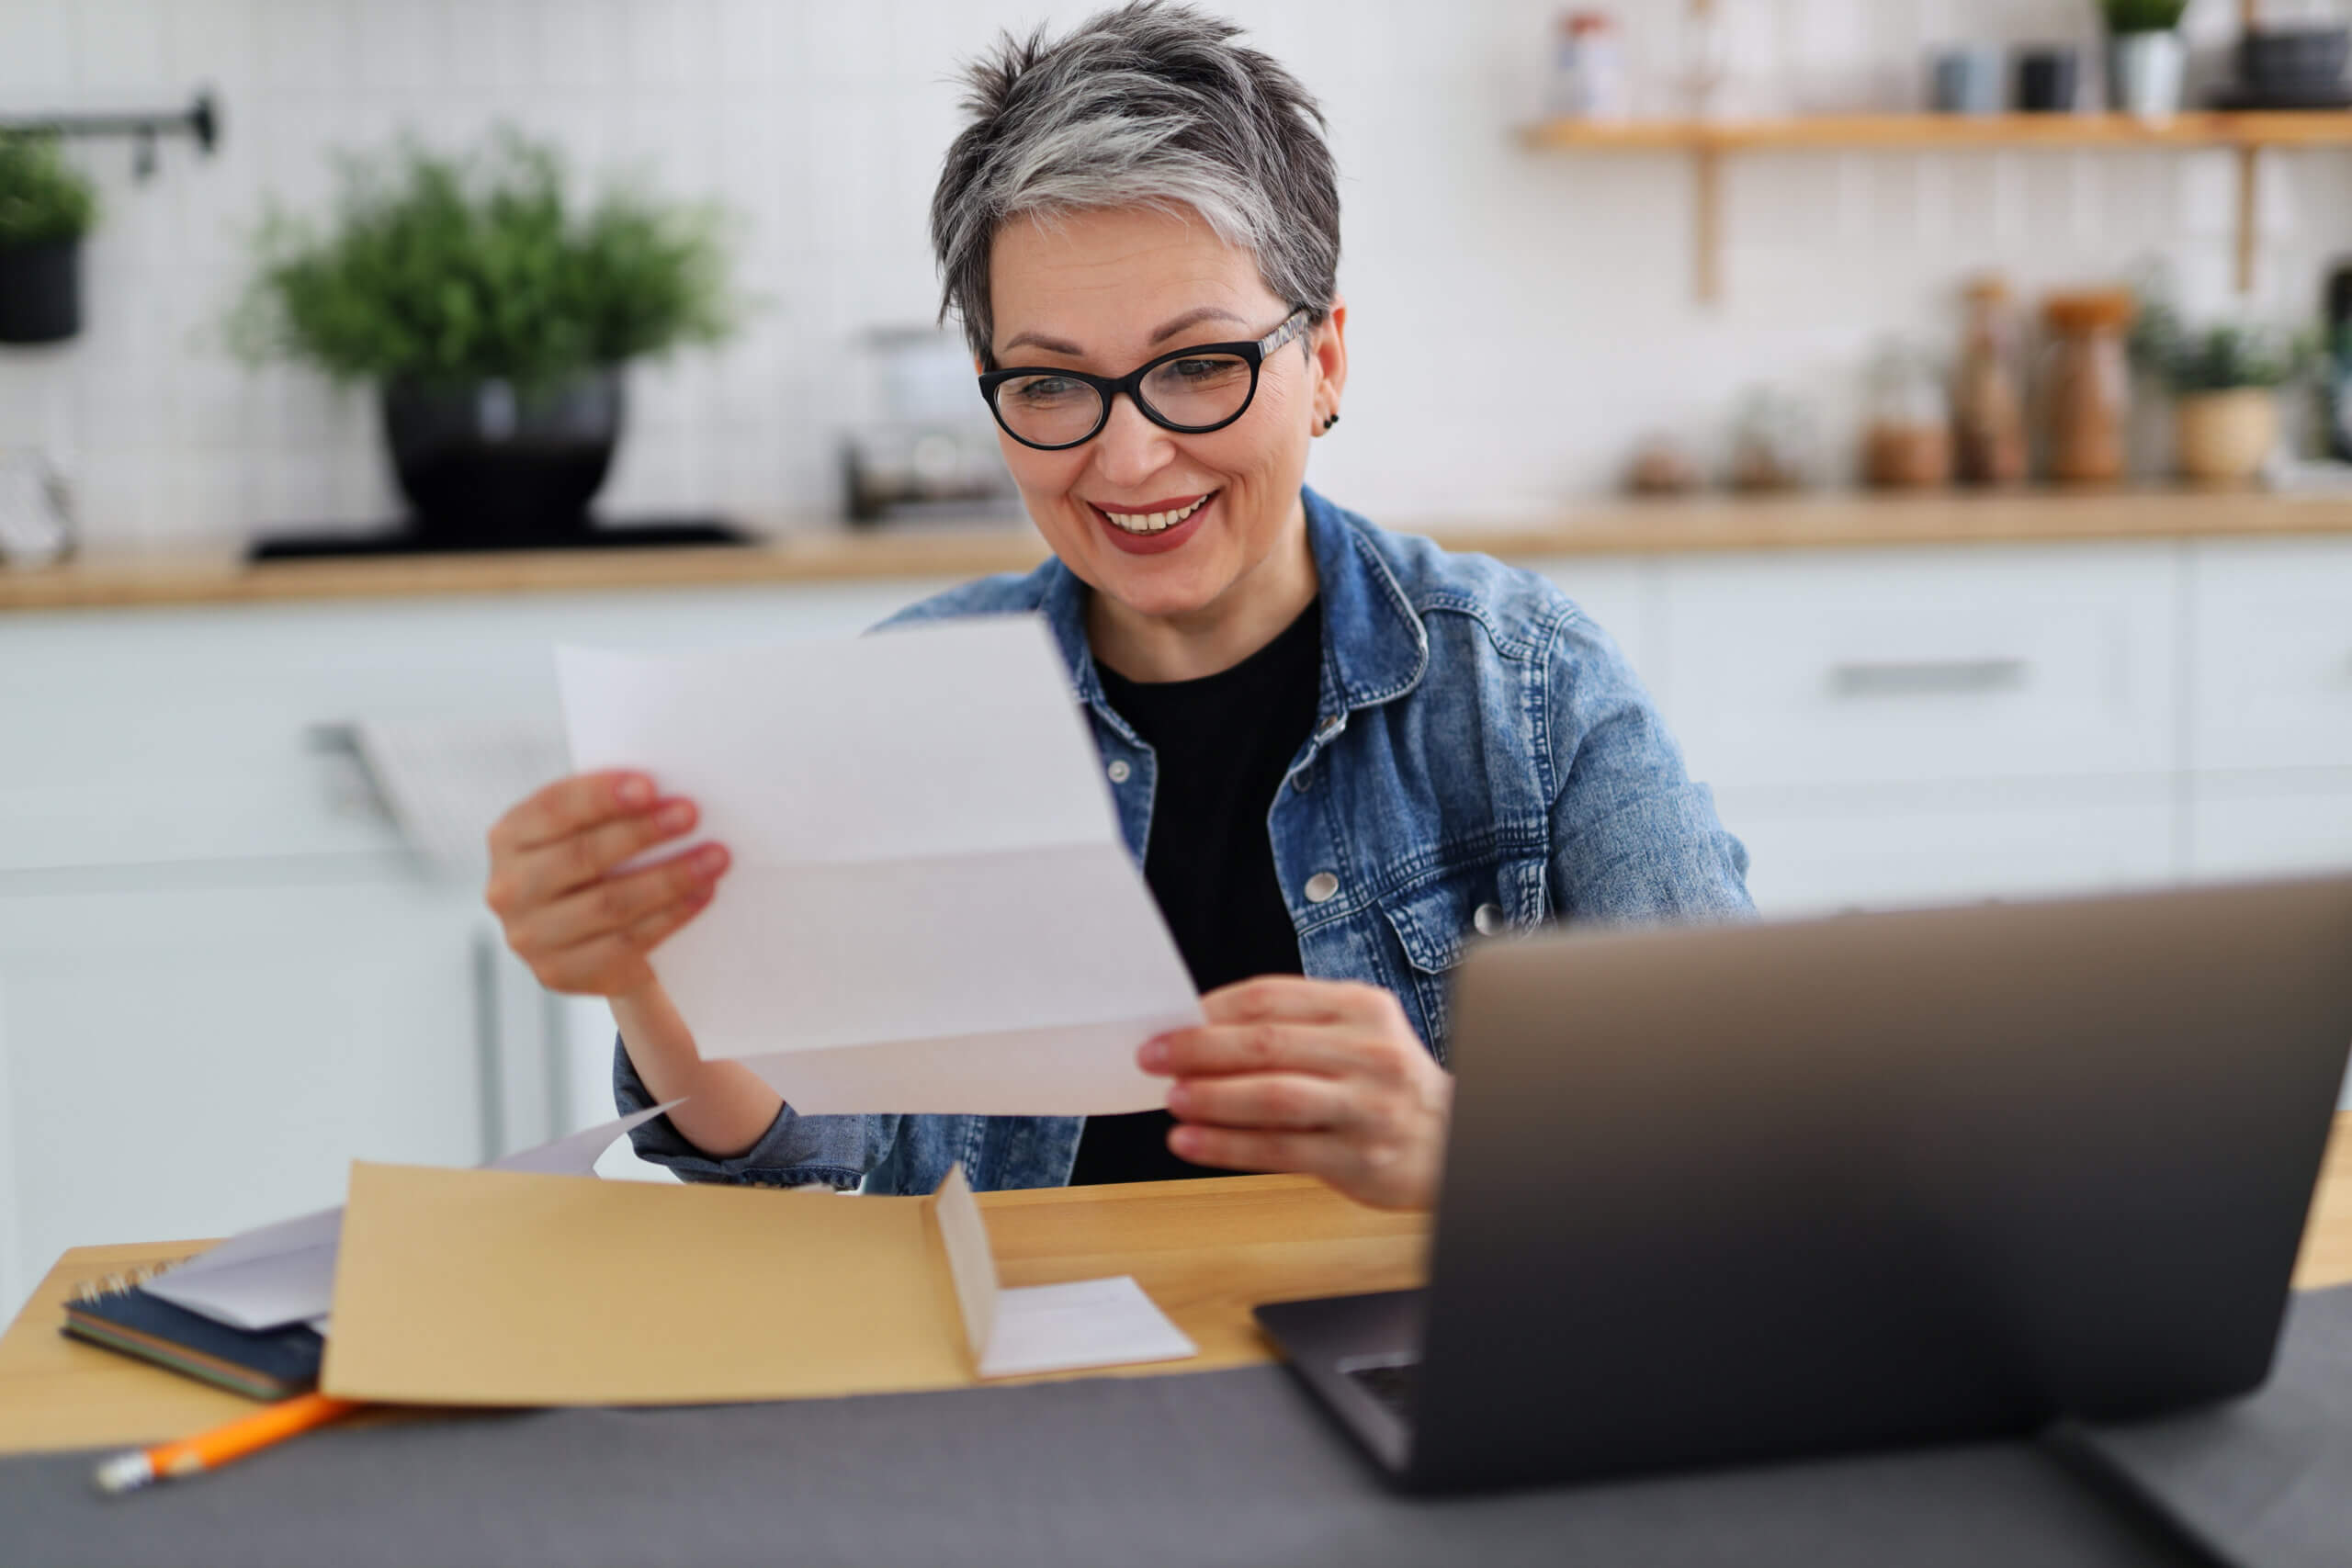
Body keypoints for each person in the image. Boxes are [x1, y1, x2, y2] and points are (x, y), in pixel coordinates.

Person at [483, 2, 1749, 1213]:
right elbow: (793, 1150)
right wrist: (650, 979)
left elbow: (1749, 1132)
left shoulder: (1524, 694)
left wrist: (1463, 1149)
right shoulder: (908, 705)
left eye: (1198, 366)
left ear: (1327, 363)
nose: (1129, 460)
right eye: (1049, 385)